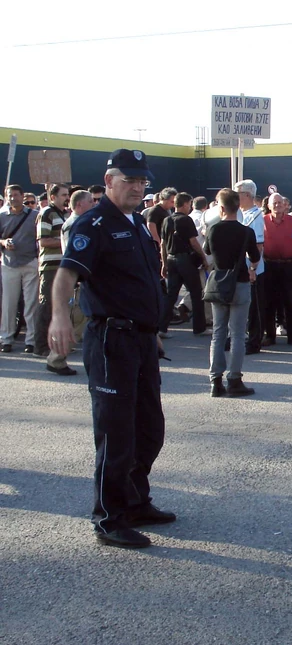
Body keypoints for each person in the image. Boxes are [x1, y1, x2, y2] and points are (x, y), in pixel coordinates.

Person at [48, 149, 174, 549]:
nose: (137, 187)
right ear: (108, 182)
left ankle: (136, 501)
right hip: (111, 341)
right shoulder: (95, 223)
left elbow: (140, 283)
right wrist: (60, 317)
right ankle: (109, 517)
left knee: (149, 428)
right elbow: (67, 273)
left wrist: (151, 329)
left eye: (141, 181)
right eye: (128, 180)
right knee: (115, 433)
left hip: (140, 338)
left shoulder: (136, 223)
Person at [203, 188, 261, 398]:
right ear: (238, 207)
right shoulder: (246, 231)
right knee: (237, 334)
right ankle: (234, 379)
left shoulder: (214, 229)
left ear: (221, 207)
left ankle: (215, 380)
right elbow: (255, 257)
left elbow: (208, 251)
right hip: (240, 282)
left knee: (218, 333)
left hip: (219, 283)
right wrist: (252, 268)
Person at [46, 189, 94, 376]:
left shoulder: (77, 222)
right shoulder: (75, 224)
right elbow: (72, 256)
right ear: (80, 204)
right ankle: (56, 359)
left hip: (80, 279)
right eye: (90, 201)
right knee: (76, 322)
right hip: (77, 280)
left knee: (81, 321)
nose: (94, 204)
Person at [159, 192, 209, 337]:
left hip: (171, 258)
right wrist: (203, 258)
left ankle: (162, 328)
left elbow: (163, 244)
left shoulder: (166, 220)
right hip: (185, 260)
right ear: (186, 204)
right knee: (196, 292)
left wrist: (164, 263)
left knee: (171, 294)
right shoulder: (186, 220)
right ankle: (199, 328)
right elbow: (193, 242)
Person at [0, 185, 40, 353]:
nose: (13, 198)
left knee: (31, 304)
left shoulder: (35, 216)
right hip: (9, 264)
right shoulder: (2, 216)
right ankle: (6, 339)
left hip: (30, 263)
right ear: (6, 196)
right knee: (9, 304)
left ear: (22, 196)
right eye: (10, 195)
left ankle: (31, 340)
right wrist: (4, 242)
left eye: (16, 195)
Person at [34, 183, 70, 358]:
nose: (67, 198)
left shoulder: (62, 214)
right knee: (47, 305)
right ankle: (40, 346)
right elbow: (44, 241)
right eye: (63, 195)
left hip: (61, 266)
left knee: (58, 306)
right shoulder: (47, 213)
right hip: (49, 266)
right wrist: (66, 243)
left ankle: (54, 344)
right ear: (53, 197)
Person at [262, 193, 292, 346]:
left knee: (289, 302)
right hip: (269, 266)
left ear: (285, 205)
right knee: (269, 303)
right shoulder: (262, 221)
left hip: (288, 266)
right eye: (275, 203)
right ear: (269, 205)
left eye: (280, 202)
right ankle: (270, 336)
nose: (278, 205)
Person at [234, 180, 265, 355]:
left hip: (253, 270)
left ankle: (254, 341)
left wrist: (253, 268)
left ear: (246, 195)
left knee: (254, 308)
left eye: (237, 194)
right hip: (241, 268)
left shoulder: (256, 215)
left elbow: (258, 246)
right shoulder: (241, 213)